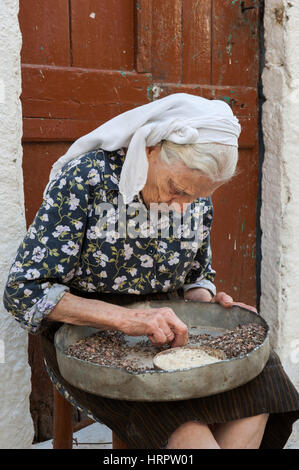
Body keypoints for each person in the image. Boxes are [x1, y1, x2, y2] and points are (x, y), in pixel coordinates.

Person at [3, 93, 299, 449]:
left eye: (193, 198)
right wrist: (127, 320)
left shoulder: (194, 198)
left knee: (262, 379)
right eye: (177, 190)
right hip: (85, 331)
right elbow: (23, 291)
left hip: (167, 325)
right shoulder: (86, 179)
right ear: (150, 149)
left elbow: (196, 276)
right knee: (182, 427)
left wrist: (208, 305)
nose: (181, 208)